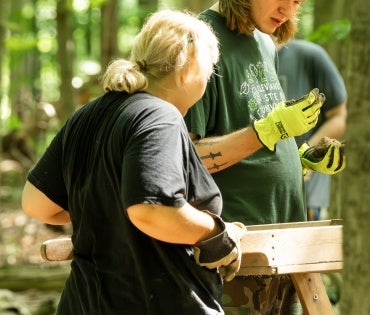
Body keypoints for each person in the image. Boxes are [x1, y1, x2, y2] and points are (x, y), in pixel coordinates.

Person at [21, 10, 248, 315]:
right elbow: (151, 210)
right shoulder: (160, 117)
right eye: (209, 68)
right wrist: (216, 233)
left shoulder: (87, 115)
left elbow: (37, 204)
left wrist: (107, 210)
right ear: (189, 68)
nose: (209, 78)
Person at [184, 1, 345, 314]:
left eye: (297, 1)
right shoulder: (198, 42)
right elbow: (183, 162)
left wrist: (300, 158)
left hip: (290, 242)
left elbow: (255, 129)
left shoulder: (264, 41)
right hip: (239, 250)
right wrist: (268, 132)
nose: (288, 9)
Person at [276, 39, 348, 221]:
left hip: (306, 195)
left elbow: (339, 117)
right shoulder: (246, 58)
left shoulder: (310, 56)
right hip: (258, 194)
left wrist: (305, 155)